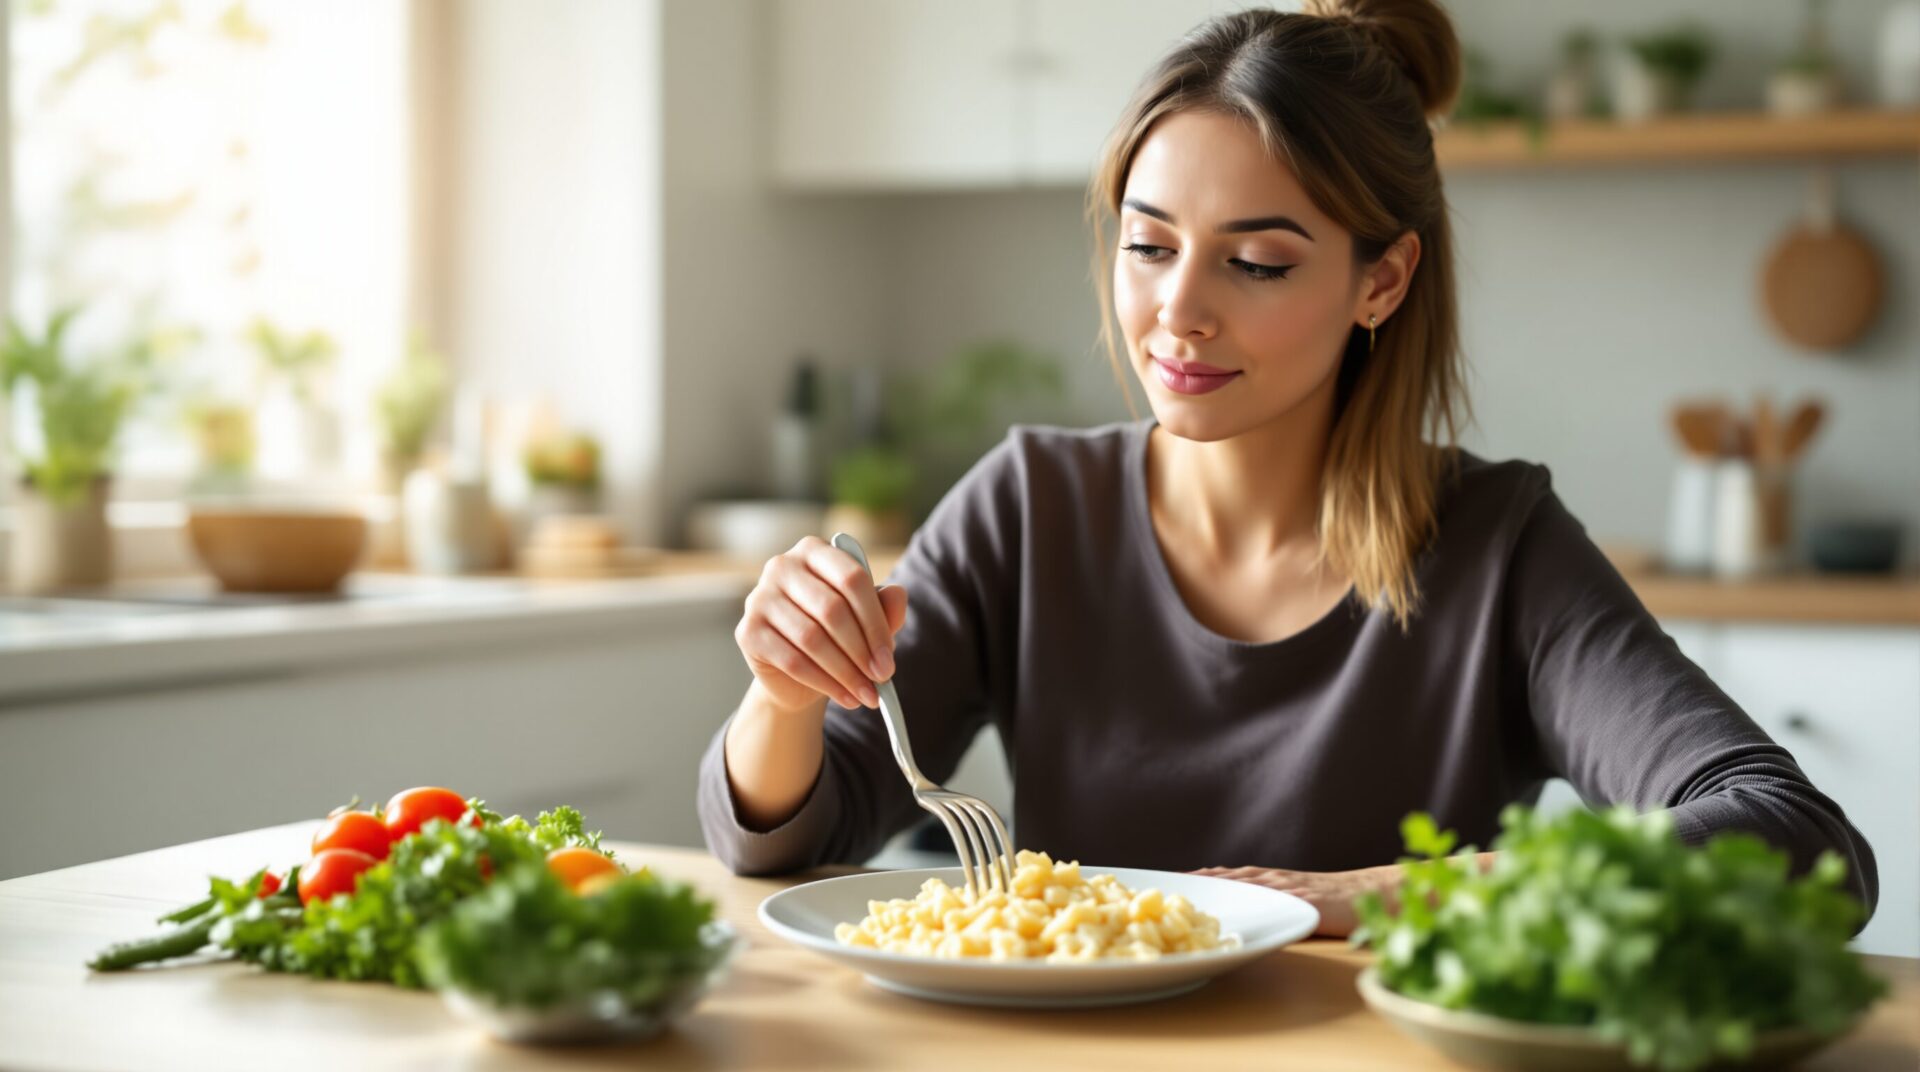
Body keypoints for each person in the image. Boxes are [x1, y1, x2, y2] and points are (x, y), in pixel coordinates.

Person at [697, 0, 1877, 936]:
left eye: (1256, 263)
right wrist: (784, 692)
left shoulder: (1495, 542)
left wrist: (1391, 892)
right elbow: (785, 838)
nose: (1177, 315)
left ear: (1383, 282)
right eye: (1148, 244)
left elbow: (1798, 840)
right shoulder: (1028, 506)